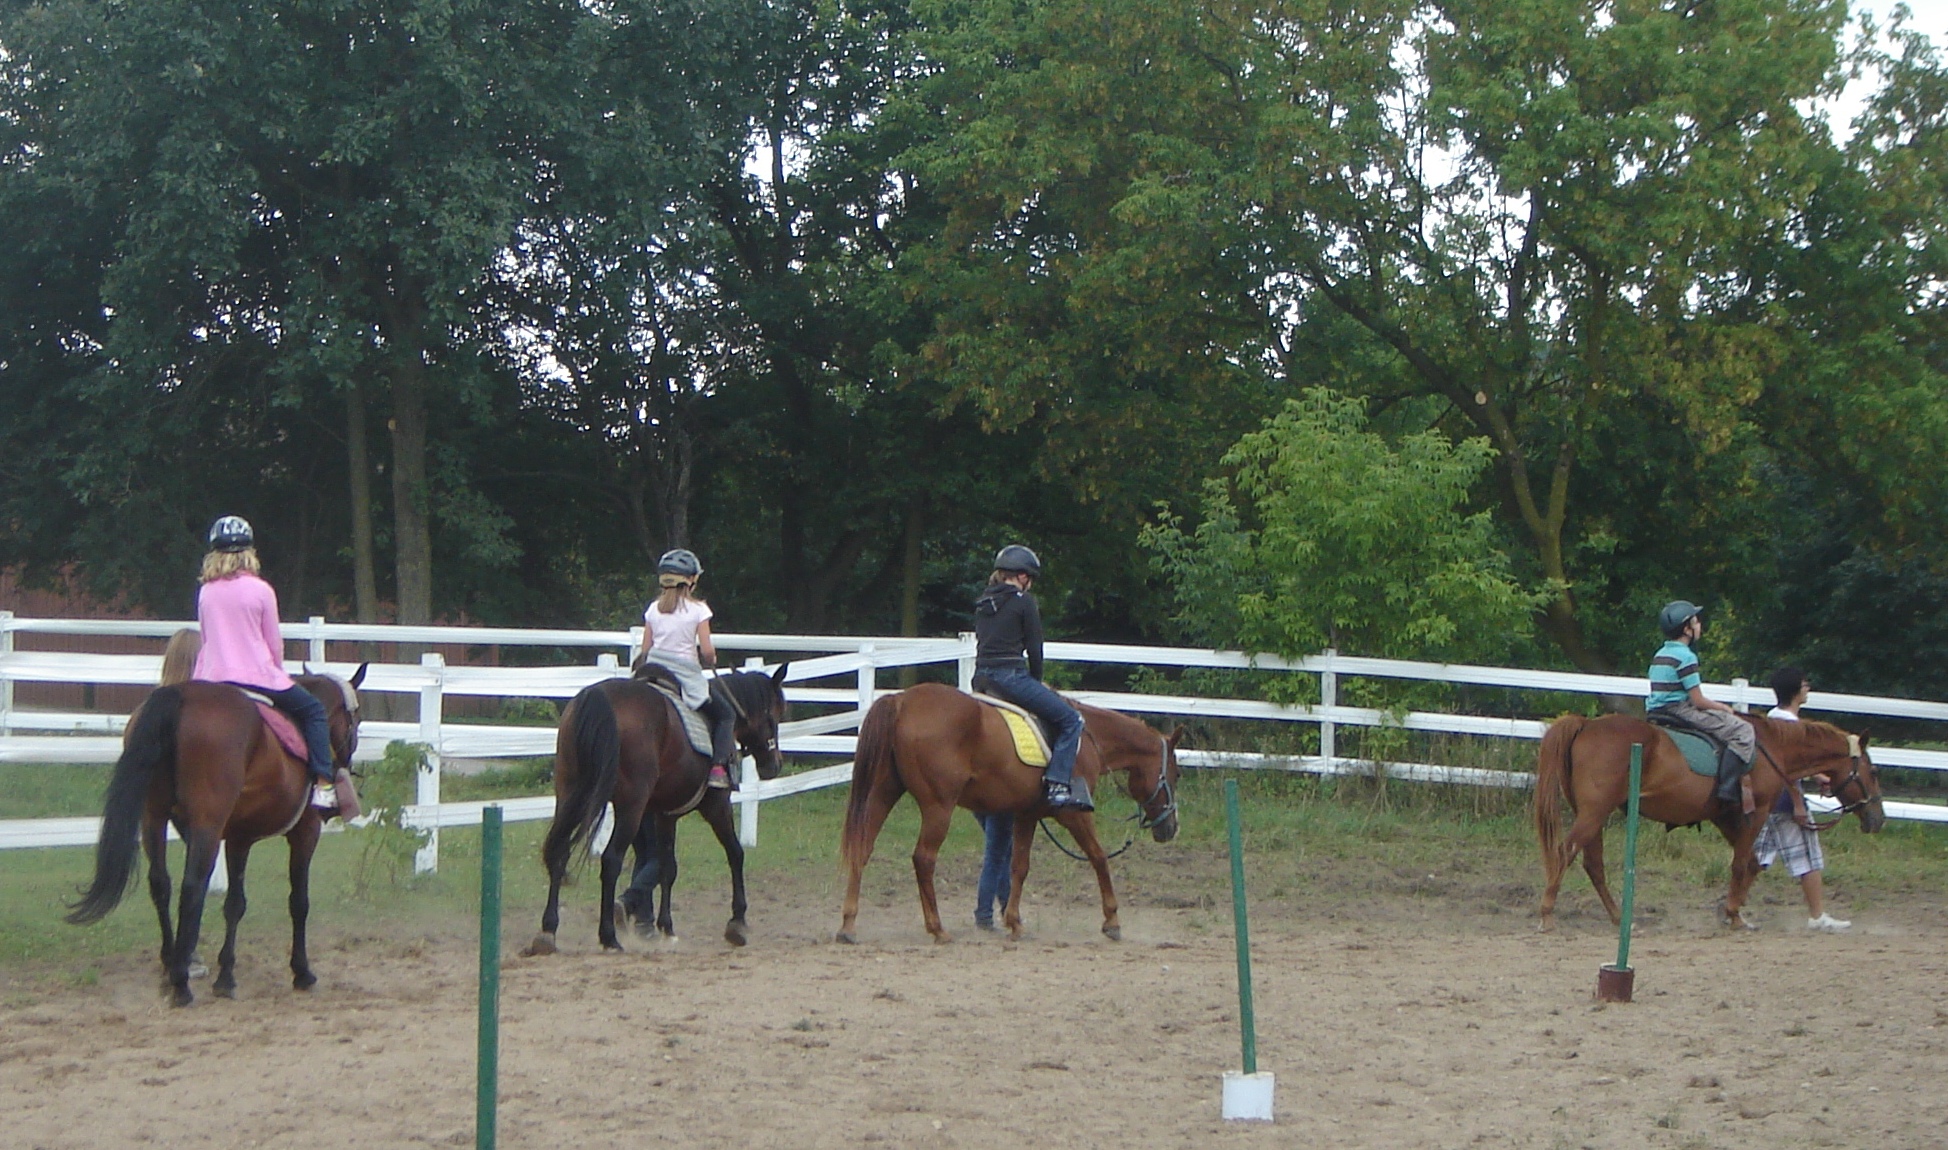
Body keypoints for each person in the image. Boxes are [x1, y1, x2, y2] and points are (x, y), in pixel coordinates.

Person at [191, 516, 337, 810]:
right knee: (314, 712)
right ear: (249, 553)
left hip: (212, 678)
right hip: (257, 676)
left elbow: (207, 639)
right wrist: (278, 673)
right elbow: (273, 643)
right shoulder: (262, 590)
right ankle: (324, 784)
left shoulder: (206, 592)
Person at [970, 545, 1090, 811]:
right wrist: (1036, 681)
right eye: (1030, 578)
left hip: (981, 679)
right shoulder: (1023, 602)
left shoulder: (984, 602)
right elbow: (1035, 649)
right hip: (1011, 677)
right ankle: (1058, 784)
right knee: (1071, 719)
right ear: (1023, 576)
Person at [1758, 667, 1851, 932]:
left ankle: (1732, 906)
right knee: (1808, 858)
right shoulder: (1788, 725)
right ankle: (1817, 916)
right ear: (1796, 691)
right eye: (1804, 684)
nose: (1808, 687)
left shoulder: (1774, 720)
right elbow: (1787, 770)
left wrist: (1819, 776)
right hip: (1786, 802)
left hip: (1769, 801)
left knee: (1755, 857)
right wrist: (1799, 804)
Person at [1647, 600, 1754, 823]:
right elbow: (1698, 700)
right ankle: (1726, 788)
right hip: (1679, 710)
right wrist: (1723, 707)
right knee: (1742, 730)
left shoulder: (1661, 653)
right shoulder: (1686, 656)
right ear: (1687, 629)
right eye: (1696, 622)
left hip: (1656, 709)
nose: (1699, 626)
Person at [641, 548, 737, 788]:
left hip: (654, 667)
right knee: (726, 714)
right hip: (684, 673)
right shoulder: (698, 610)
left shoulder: (653, 609)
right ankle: (717, 768)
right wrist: (711, 659)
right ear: (692, 580)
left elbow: (645, 648)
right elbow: (706, 650)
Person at [973, 812, 1013, 931]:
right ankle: (984, 914)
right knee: (995, 857)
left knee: (1002, 853)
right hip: (1001, 805)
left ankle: (1007, 907)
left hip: (980, 803)